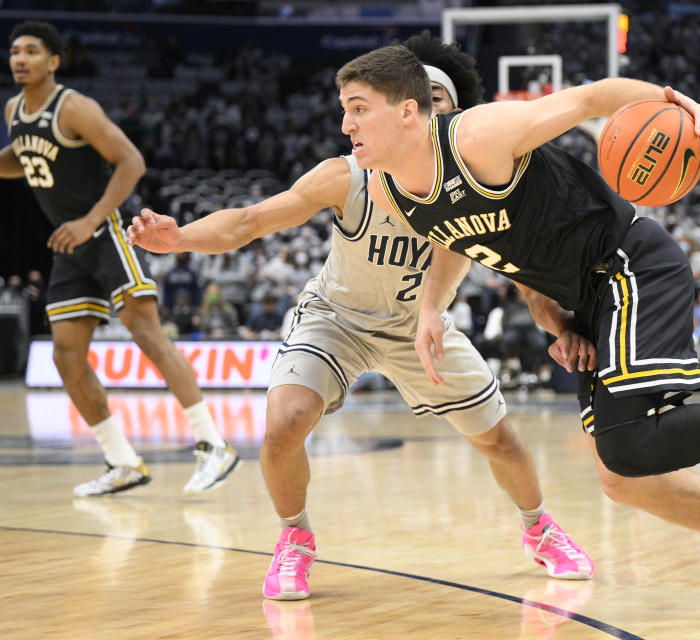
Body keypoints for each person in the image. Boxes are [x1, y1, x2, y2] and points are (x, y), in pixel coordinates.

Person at [337, 44, 700, 622]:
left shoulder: (478, 137)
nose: (346, 124)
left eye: (359, 108)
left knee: (627, 441)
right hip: (587, 298)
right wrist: (438, 310)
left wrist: (671, 100)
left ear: (409, 111)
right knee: (624, 478)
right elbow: (468, 244)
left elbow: (588, 98)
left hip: (629, 261)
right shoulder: (392, 187)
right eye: (344, 109)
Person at [128, 33, 594, 601]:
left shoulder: (481, 179)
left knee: (500, 441)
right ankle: (294, 539)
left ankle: (539, 528)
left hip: (418, 328)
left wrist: (563, 330)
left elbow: (528, 282)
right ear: (402, 112)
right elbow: (250, 220)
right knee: (283, 425)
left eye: (440, 102)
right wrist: (179, 239)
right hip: (337, 319)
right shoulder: (348, 176)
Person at [1, 21, 238, 496]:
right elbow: (23, 159)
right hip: (69, 242)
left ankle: (214, 445)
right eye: (14, 51)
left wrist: (90, 220)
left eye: (31, 50)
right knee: (67, 355)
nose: (19, 58)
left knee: (146, 332)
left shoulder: (75, 107)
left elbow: (132, 161)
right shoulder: (13, 110)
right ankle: (123, 461)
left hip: (106, 229)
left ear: (53, 61)